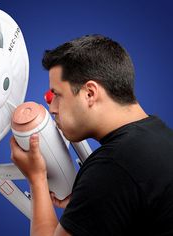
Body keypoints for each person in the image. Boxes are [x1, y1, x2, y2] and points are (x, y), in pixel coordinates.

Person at [10, 35, 173, 236]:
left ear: (90, 93)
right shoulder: (160, 133)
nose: (51, 108)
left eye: (56, 95)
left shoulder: (113, 166)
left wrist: (36, 179)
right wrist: (89, 208)